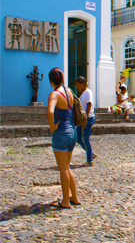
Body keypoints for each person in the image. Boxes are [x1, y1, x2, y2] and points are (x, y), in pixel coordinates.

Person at [45, 68, 81, 209]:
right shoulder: (69, 91)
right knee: (67, 167)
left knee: (63, 169)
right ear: (63, 79)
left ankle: (65, 201)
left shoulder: (54, 94)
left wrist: (52, 126)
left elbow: (49, 112)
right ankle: (75, 197)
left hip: (62, 133)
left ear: (50, 81)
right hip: (73, 131)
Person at [73, 77, 97, 167]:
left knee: (85, 138)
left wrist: (85, 119)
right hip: (83, 118)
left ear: (82, 84)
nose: (76, 87)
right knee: (78, 138)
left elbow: (89, 105)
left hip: (88, 118)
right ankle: (91, 153)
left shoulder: (88, 92)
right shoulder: (84, 93)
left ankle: (89, 160)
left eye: (77, 85)